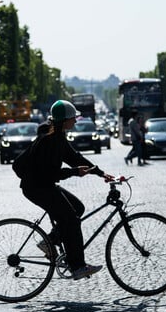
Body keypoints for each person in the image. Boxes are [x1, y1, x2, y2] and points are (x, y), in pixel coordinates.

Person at [20, 100, 115, 280]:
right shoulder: (48, 140)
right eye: (73, 118)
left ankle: (50, 242)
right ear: (64, 121)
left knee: (77, 208)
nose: (76, 121)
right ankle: (78, 266)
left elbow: (74, 157)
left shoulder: (58, 136)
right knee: (71, 220)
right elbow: (50, 173)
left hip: (43, 184)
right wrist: (73, 172)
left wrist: (101, 173)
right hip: (36, 187)